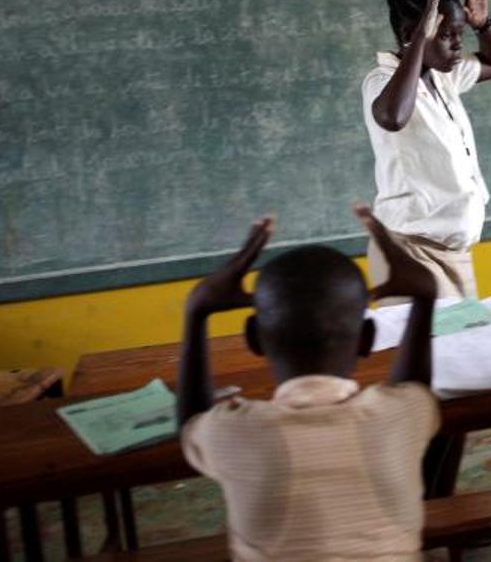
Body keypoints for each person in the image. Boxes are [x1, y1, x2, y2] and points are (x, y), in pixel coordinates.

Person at [176, 207, 439, 561]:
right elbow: (414, 390)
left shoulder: (235, 433)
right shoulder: (401, 417)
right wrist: (425, 299)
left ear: (253, 339)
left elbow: (191, 424)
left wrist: (197, 312)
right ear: (367, 339)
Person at [362, 0, 491, 301]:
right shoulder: (382, 81)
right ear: (410, 35)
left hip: (455, 254)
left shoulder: (444, 77)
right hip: (409, 252)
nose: (459, 44)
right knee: (429, 349)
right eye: (446, 34)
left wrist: (482, 24)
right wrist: (420, 40)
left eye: (460, 33)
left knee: (463, 346)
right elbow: (391, 116)